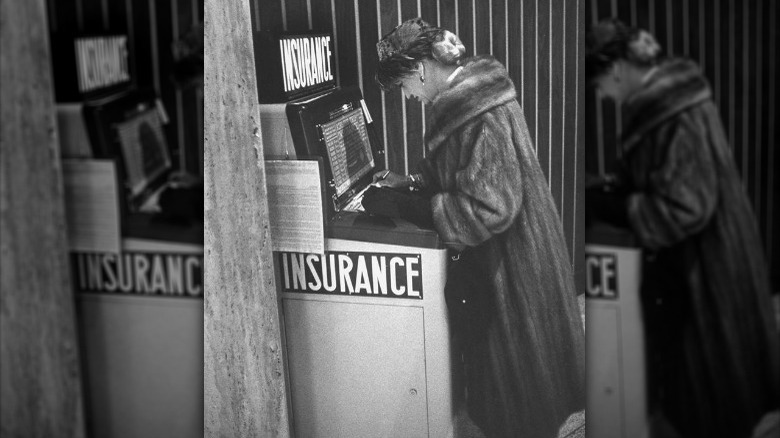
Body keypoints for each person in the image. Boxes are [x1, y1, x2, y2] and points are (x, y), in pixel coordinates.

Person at [363, 18, 585, 438]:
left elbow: (489, 206)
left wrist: (413, 207)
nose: (408, 97)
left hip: (514, 271)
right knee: (510, 399)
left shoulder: (479, 113)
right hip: (506, 262)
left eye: (403, 87)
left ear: (420, 69)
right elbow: (457, 175)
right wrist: (408, 183)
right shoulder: (464, 102)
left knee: (521, 404)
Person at [585, 18, 780, 438]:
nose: (603, 97)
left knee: (710, 396)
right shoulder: (669, 103)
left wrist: (621, 206)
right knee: (707, 394)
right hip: (707, 261)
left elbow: (685, 204)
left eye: (599, 85)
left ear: (616, 69)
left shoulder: (671, 112)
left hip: (705, 271)